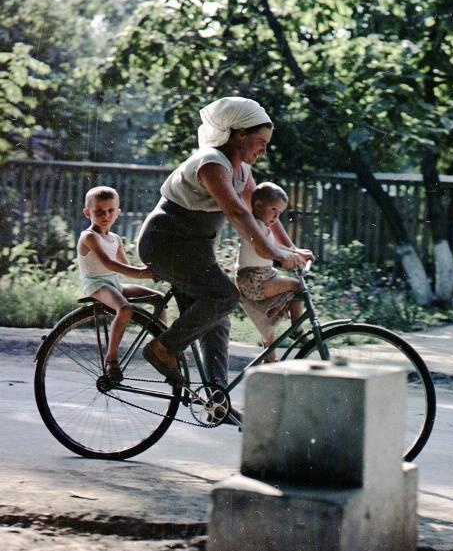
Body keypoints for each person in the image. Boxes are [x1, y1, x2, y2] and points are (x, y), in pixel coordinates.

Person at [137, 97, 313, 407]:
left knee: (217, 318)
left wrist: (289, 248)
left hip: (195, 250)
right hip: (167, 244)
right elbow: (238, 214)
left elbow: (261, 215)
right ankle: (162, 348)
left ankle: (217, 400)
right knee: (224, 297)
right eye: (260, 141)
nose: (264, 149)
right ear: (239, 134)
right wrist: (274, 253)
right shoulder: (211, 163)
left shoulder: (241, 170)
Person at [77, 186, 165, 383]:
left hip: (114, 282)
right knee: (124, 309)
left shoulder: (115, 238)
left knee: (158, 299)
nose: (105, 215)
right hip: (97, 284)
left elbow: (125, 266)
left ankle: (161, 346)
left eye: (110, 210)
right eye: (98, 211)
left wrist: (153, 268)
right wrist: (141, 274)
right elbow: (109, 264)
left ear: (118, 212)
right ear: (87, 213)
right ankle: (112, 359)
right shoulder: (89, 236)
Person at [235, 182, 305, 362]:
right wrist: (287, 258)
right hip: (255, 279)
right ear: (258, 204)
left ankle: (270, 358)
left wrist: (297, 253)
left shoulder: (262, 225)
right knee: (297, 286)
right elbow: (263, 251)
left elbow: (276, 247)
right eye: (273, 209)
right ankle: (297, 329)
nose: (276, 216)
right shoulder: (255, 226)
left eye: (280, 213)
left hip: (260, 277)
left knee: (268, 324)